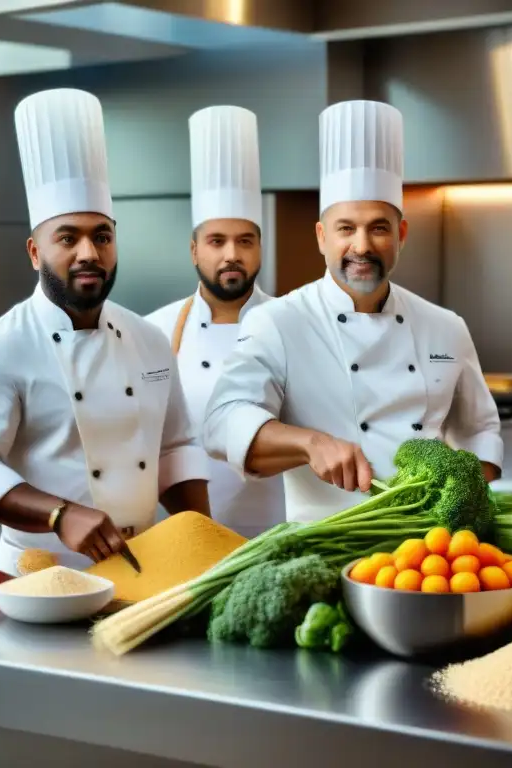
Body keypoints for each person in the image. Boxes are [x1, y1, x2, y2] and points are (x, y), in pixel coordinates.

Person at [0, 88, 210, 575]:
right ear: (33, 251)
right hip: (41, 573)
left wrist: (206, 541)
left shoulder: (149, 338)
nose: (88, 252)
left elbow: (174, 449)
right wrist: (58, 513)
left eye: (101, 236)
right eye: (67, 237)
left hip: (141, 571)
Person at [202, 99, 503, 523]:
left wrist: (464, 496)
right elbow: (222, 422)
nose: (361, 246)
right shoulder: (279, 321)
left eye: (378, 228)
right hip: (327, 547)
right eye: (346, 228)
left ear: (401, 234)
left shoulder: (445, 326)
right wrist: (311, 443)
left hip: (429, 553)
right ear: (322, 237)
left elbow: (479, 430)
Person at [145, 105, 284, 539]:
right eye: (216, 241)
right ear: (194, 250)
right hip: (181, 540)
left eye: (245, 241)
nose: (231, 255)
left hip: (276, 538)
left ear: (260, 248)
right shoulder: (153, 332)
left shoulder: (294, 325)